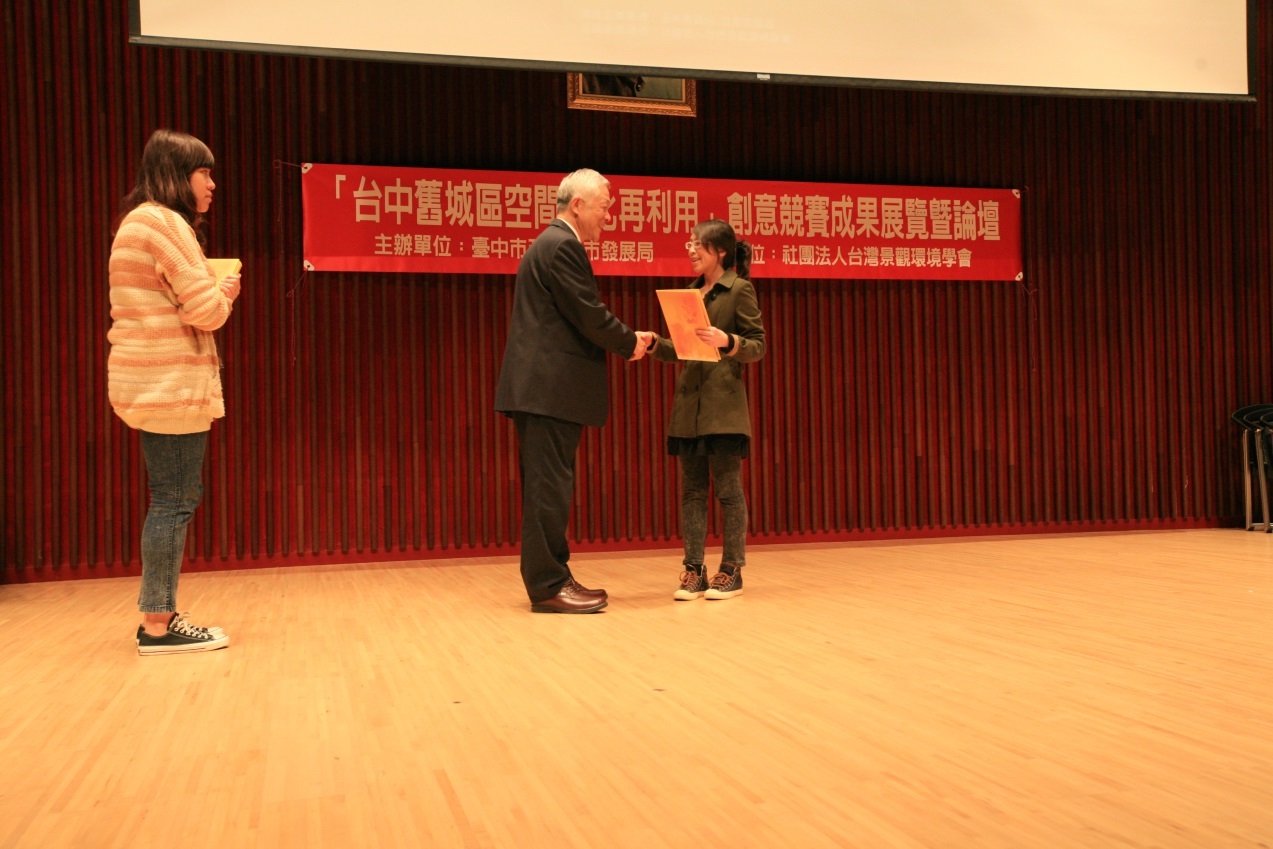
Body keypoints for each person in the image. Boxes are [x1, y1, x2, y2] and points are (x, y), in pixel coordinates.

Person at [495, 168, 654, 613]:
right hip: (548, 391)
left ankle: (553, 578)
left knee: (549, 489)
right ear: (578, 204)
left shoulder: (549, 243)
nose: (609, 215)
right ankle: (549, 586)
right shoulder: (563, 245)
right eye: (604, 206)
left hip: (543, 391)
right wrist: (630, 342)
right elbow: (588, 313)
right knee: (548, 491)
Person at [107, 129, 241, 654]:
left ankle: (158, 619)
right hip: (171, 385)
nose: (211, 184)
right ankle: (158, 625)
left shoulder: (136, 221)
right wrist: (225, 292)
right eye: (204, 172)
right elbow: (205, 310)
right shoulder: (167, 223)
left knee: (169, 498)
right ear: (177, 175)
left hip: (146, 382)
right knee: (174, 501)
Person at [649, 220, 766, 600]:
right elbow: (683, 348)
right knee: (692, 493)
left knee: (729, 491)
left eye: (698, 244)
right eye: (690, 243)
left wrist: (728, 340)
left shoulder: (739, 289)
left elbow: (758, 345)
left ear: (720, 251)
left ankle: (731, 569)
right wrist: (655, 344)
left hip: (723, 408)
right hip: (689, 409)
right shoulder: (689, 293)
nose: (691, 249)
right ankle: (693, 570)